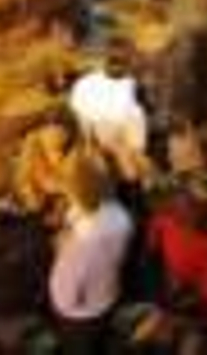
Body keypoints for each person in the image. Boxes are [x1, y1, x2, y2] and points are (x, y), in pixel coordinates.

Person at [48, 151, 134, 353]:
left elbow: (68, 295)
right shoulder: (120, 214)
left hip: (81, 314)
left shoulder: (84, 241)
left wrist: (62, 249)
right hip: (108, 293)